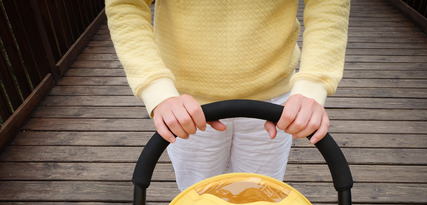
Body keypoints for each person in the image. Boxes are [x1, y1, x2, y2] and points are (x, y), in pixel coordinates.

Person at [105, 0, 350, 191]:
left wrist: (313, 85)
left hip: (274, 102)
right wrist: (157, 89)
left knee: (260, 199)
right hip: (187, 107)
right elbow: (127, 4)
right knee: (200, 199)